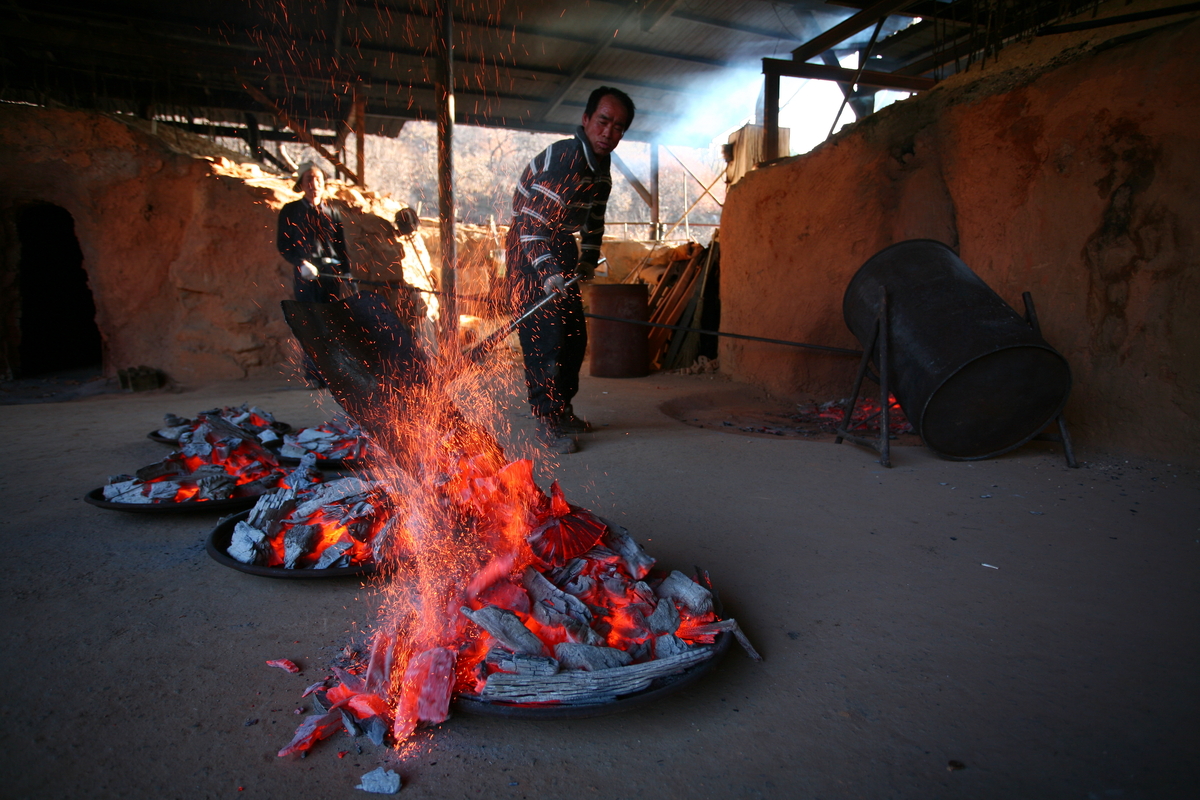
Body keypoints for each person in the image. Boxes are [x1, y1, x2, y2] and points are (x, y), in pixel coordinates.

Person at [506, 86, 635, 453]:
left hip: (560, 242)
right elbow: (531, 223)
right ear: (586, 120)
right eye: (603, 121)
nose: (609, 133)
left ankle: (562, 410)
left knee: (573, 336)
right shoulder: (566, 159)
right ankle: (546, 420)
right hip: (527, 246)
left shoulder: (602, 165)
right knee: (546, 337)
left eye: (618, 127)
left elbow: (594, 219)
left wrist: (587, 260)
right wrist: (547, 272)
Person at [277, 162, 350, 386]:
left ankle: (333, 374)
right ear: (301, 184)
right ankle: (313, 374)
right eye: (309, 179)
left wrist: (345, 271)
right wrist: (301, 263)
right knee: (310, 324)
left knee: (330, 322)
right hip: (306, 276)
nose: (314, 184)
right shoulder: (290, 211)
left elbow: (340, 245)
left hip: (330, 276)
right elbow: (284, 244)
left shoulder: (332, 212)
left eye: (318, 179)